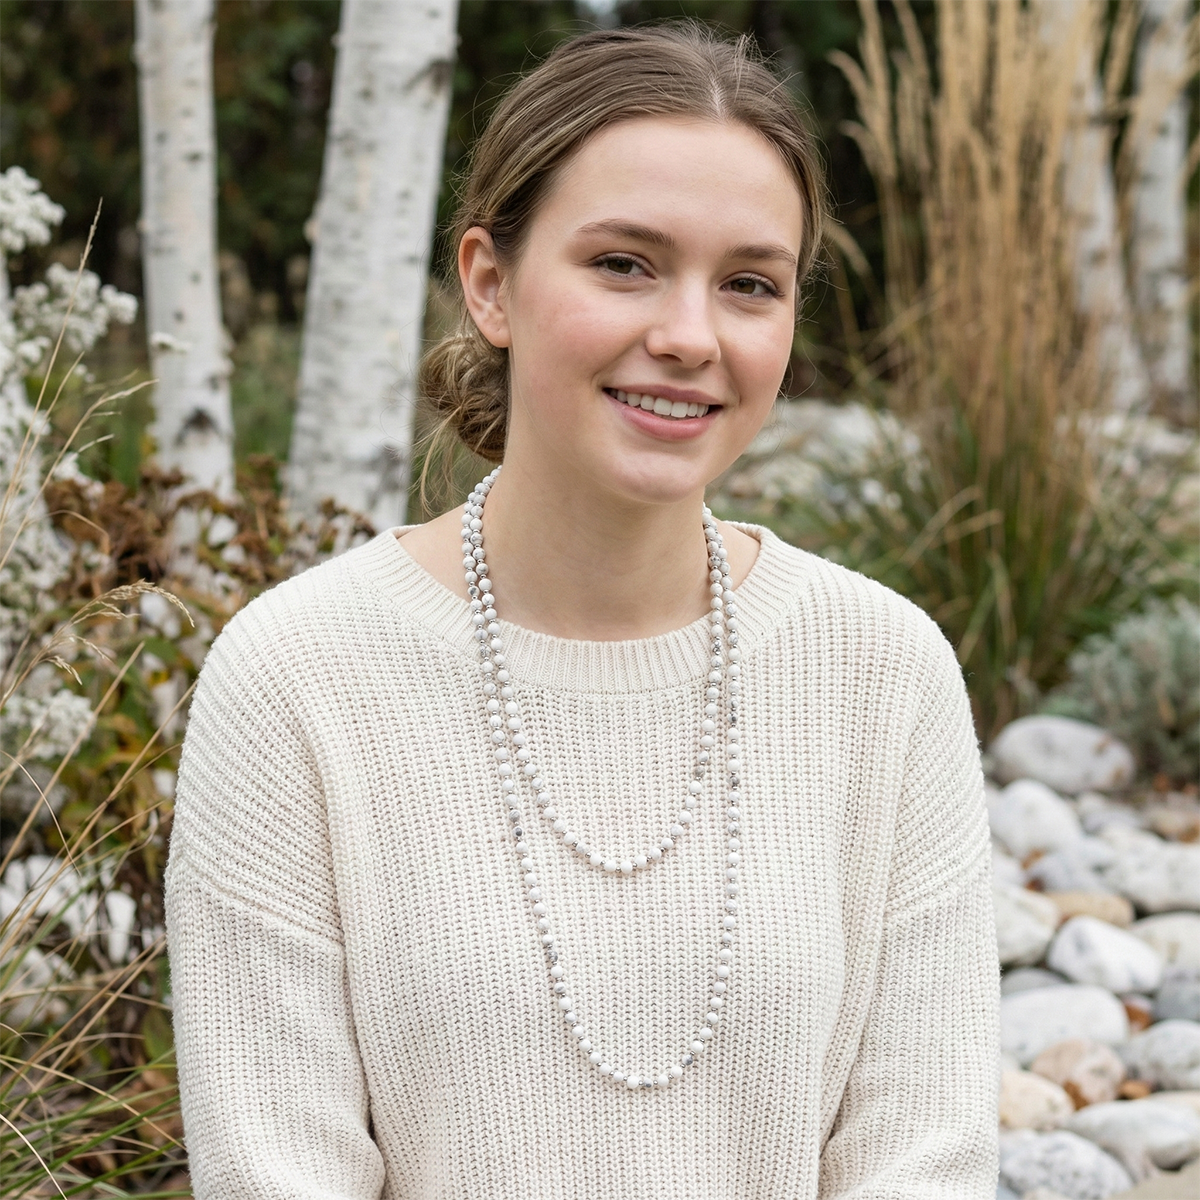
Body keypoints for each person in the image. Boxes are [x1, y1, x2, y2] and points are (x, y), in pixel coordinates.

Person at [165, 22, 1000, 1199]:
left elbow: (926, 1161)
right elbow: (274, 1168)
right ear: (491, 283)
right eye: (624, 263)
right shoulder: (298, 676)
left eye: (750, 284)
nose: (689, 336)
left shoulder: (883, 672)